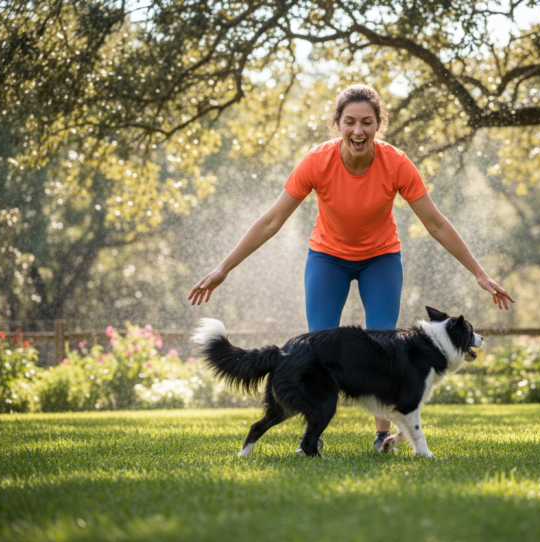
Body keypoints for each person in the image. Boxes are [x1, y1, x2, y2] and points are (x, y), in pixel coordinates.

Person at [188, 84, 514, 453]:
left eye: (367, 122)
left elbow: (436, 224)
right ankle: (312, 438)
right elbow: (271, 221)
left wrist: (479, 273)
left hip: (381, 259)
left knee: (385, 344)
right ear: (337, 125)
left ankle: (382, 437)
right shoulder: (317, 161)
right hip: (327, 258)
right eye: (350, 122)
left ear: (378, 125)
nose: (358, 130)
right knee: (319, 345)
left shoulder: (396, 163)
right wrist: (224, 268)